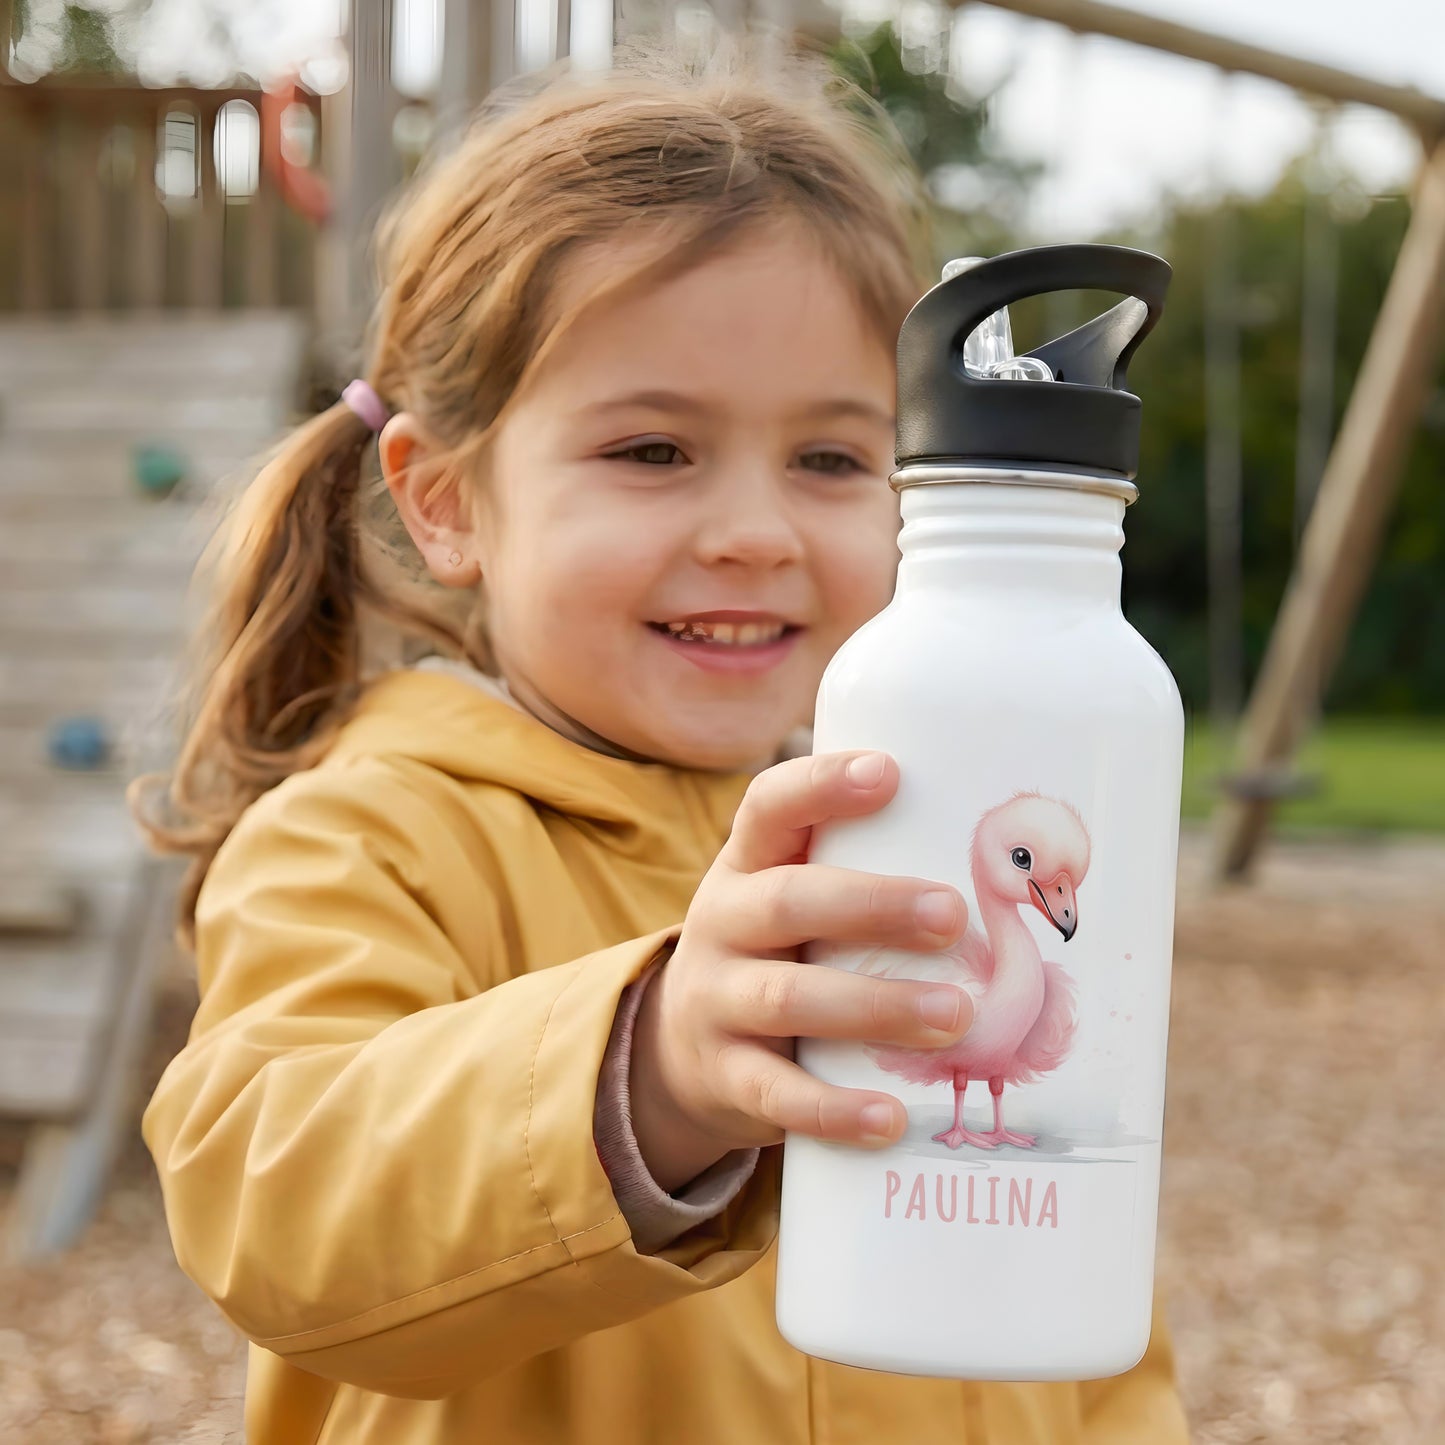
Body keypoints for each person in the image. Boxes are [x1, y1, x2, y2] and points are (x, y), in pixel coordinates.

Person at [137, 46, 1189, 1445]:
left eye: (832, 459)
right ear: (446, 501)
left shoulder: (934, 832)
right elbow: (271, 1210)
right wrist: (648, 1074)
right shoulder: (376, 834)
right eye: (652, 451)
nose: (753, 531)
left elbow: (1085, 1295)